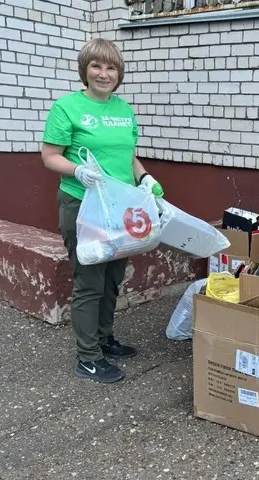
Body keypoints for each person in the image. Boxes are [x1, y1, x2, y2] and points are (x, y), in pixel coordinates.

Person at [41, 38, 165, 384]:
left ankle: (104, 338)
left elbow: (128, 156)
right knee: (90, 281)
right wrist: (77, 170)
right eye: (96, 65)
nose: (103, 73)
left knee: (112, 278)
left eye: (111, 67)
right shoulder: (67, 108)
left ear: (119, 73)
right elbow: (50, 156)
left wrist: (145, 177)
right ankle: (88, 357)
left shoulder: (124, 110)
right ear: (85, 70)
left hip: (120, 206)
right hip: (83, 204)